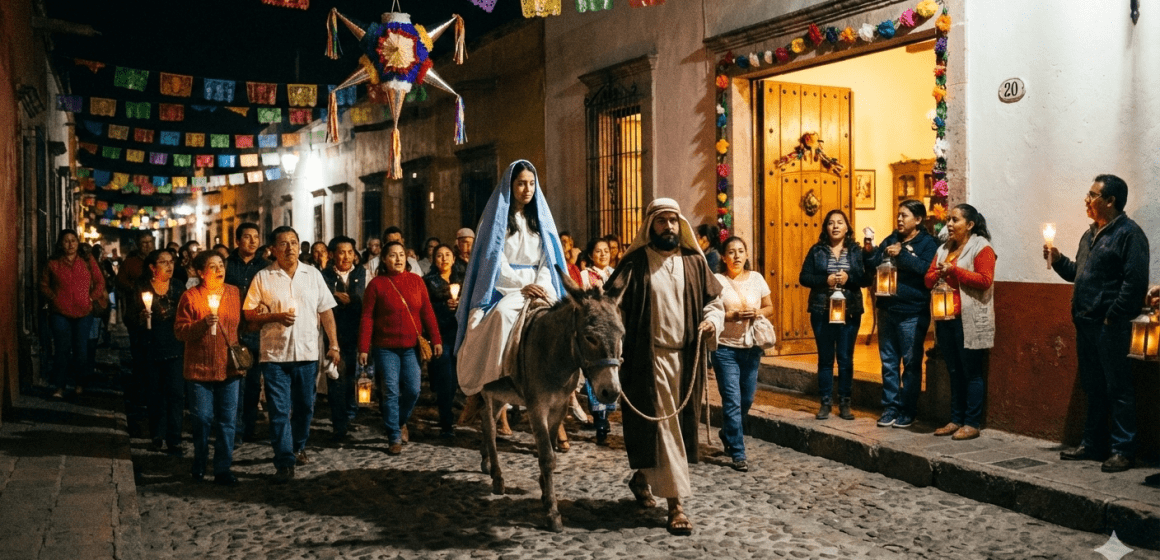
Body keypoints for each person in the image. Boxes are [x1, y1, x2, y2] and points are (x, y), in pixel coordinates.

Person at [603, 199, 723, 535]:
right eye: (661, 221)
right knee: (664, 430)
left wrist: (712, 321)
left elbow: (715, 301)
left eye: (673, 220)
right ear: (650, 226)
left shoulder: (695, 263)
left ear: (680, 224)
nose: (668, 227)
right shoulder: (635, 264)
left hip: (684, 361)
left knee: (669, 431)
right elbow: (610, 306)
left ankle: (642, 478)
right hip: (646, 360)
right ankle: (677, 506)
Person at [455, 160, 570, 438]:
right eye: (521, 183)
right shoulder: (496, 220)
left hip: (541, 285)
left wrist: (540, 284)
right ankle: (490, 389)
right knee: (500, 317)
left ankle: (568, 391)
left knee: (566, 324)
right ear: (510, 185)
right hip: (509, 287)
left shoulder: (539, 220)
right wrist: (523, 285)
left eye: (531, 183)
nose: (526, 189)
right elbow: (495, 261)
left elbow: (549, 258)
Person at [1047, 175, 1148, 472]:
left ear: (1110, 200)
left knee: (1118, 387)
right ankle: (1093, 444)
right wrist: (1058, 260)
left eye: (1092, 195)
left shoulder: (1129, 235)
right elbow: (1079, 274)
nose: (1086, 200)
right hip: (1086, 323)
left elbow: (1135, 282)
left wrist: (1112, 315)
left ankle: (1123, 449)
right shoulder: (1090, 234)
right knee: (1093, 386)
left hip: (1110, 326)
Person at [242, 226, 341, 483]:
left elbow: (326, 310)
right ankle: (284, 460)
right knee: (279, 410)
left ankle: (298, 445)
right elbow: (249, 314)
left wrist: (334, 344)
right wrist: (273, 316)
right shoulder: (263, 277)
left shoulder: (313, 275)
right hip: (275, 355)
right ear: (273, 249)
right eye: (283, 244)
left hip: (307, 353)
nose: (290, 248)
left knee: (306, 407)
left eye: (294, 242)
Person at [359, 241, 443, 454]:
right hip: (385, 347)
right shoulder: (377, 284)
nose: (398, 259)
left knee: (413, 390)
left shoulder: (416, 281)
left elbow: (428, 313)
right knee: (390, 390)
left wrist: (436, 339)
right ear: (384, 260)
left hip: (410, 347)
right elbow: (367, 317)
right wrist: (364, 348)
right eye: (392, 255)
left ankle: (400, 420)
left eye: (401, 255)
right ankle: (393, 435)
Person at [925, 204, 997, 442]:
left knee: (972, 372)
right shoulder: (944, 248)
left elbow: (985, 280)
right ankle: (955, 419)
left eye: (954, 220)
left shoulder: (982, 248)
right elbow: (927, 279)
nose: (949, 224)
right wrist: (939, 273)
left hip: (969, 319)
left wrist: (954, 271)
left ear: (970, 225)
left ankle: (972, 422)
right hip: (945, 318)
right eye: (948, 219)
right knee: (954, 371)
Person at [865, 200, 939, 428]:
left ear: (918, 220)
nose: (899, 219)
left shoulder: (928, 243)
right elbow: (873, 264)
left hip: (912, 312)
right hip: (887, 309)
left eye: (904, 216)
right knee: (888, 362)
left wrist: (903, 256)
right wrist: (869, 251)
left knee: (910, 362)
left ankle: (908, 409)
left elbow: (927, 269)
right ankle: (890, 408)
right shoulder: (891, 239)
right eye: (898, 215)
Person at [174, 251, 243, 485]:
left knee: (227, 420)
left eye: (221, 265)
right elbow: (180, 331)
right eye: (212, 267)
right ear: (201, 273)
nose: (219, 270)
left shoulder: (234, 293)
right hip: (199, 368)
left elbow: (243, 324)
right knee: (202, 419)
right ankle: (200, 462)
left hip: (229, 368)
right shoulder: (191, 297)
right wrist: (202, 325)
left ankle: (223, 468)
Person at [799, 209, 870, 420]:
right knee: (825, 358)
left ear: (847, 227)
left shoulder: (856, 251)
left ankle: (845, 402)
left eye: (840, 222)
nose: (836, 226)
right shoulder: (817, 250)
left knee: (846, 358)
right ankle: (825, 402)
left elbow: (867, 279)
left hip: (849, 312)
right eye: (831, 223)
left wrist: (850, 278)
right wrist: (825, 280)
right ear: (826, 228)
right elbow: (804, 277)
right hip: (822, 310)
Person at [711, 236, 773, 472]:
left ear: (747, 255)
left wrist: (756, 312)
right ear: (724, 258)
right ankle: (738, 452)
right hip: (725, 348)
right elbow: (712, 312)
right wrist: (732, 316)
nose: (736, 256)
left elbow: (770, 307)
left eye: (741, 251)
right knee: (732, 401)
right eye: (731, 252)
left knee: (746, 399)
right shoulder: (717, 280)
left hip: (751, 348)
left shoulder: (756, 278)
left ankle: (727, 432)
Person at [124, 250, 186, 455]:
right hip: (151, 346)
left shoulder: (178, 286)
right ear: (152, 267)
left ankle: (175, 438)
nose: (169, 266)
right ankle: (157, 435)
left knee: (176, 394)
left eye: (171, 262)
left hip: (175, 345)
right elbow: (129, 317)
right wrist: (141, 317)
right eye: (163, 262)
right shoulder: (141, 286)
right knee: (155, 393)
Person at [39, 229, 105, 398]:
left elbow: (99, 282)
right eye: (66, 241)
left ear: (78, 242)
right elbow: (44, 284)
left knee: (80, 349)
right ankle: (59, 387)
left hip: (84, 312)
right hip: (60, 312)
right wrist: (54, 297)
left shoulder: (87, 260)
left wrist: (91, 298)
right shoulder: (53, 263)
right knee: (61, 349)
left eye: (73, 240)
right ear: (60, 243)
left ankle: (79, 384)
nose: (70, 244)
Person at [224, 223, 270, 443]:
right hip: (231, 330)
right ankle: (234, 429)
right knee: (233, 383)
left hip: (255, 330)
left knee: (252, 383)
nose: (252, 241)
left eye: (256, 237)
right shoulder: (226, 265)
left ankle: (248, 427)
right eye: (247, 237)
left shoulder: (266, 267)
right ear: (237, 241)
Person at [321, 236, 370, 442]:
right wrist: (335, 295)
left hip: (356, 334)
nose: (346, 256)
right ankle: (338, 425)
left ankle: (349, 415)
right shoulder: (323, 275)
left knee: (351, 379)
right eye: (342, 252)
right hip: (334, 336)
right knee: (336, 380)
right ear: (332, 255)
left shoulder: (361, 273)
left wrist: (351, 298)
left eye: (350, 252)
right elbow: (324, 300)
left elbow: (363, 299)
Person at [423, 244, 464, 437]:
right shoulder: (429, 281)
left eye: (448, 255)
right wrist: (444, 304)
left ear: (454, 259)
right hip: (440, 334)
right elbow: (426, 307)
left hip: (461, 333)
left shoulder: (462, 278)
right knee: (445, 379)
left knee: (458, 378)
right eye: (439, 255)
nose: (444, 259)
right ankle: (446, 421)